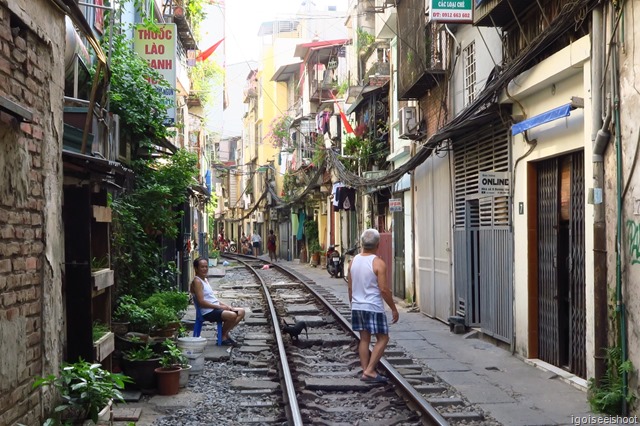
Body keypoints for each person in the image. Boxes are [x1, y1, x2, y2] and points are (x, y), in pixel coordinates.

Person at [347, 228, 398, 383]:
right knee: (383, 338)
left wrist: (353, 303)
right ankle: (369, 370)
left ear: (362, 244)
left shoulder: (353, 261)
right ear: (378, 245)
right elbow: (383, 289)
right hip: (373, 307)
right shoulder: (378, 263)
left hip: (357, 305)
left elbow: (350, 287)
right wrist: (394, 309)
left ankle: (365, 371)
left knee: (364, 339)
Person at [190, 257, 246, 345]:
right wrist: (220, 307)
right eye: (202, 267)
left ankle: (223, 334)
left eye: (206, 266)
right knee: (232, 315)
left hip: (214, 309)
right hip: (208, 312)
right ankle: (223, 336)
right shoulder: (197, 281)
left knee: (241, 312)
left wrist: (226, 306)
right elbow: (202, 302)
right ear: (196, 268)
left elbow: (213, 299)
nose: (205, 269)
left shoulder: (205, 279)